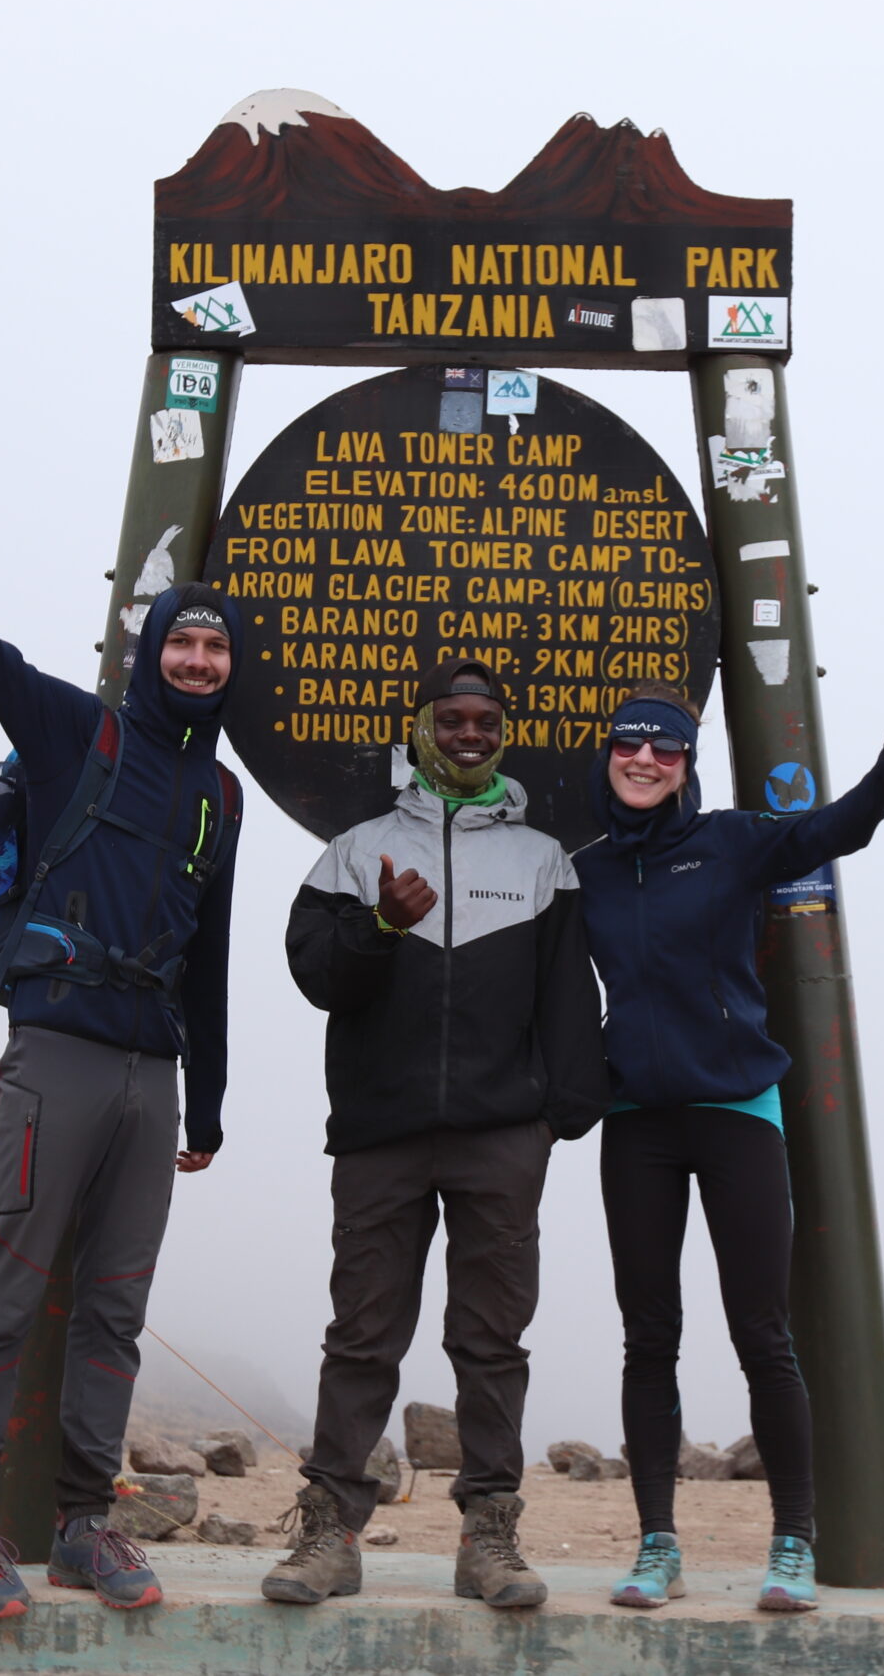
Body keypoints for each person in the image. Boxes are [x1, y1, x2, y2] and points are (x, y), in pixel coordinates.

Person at [0, 409, 240, 1620]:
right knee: (13, 1285)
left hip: (152, 1074)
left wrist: (211, 1100)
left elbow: (210, 956)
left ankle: (84, 1523)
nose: (194, 662)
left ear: (231, 670)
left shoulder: (219, 796)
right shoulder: (78, 730)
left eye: (214, 652)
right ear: (152, 653)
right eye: (181, 644)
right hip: (58, 1054)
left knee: (116, 1308)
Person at [571, 681, 884, 1613]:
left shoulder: (729, 840)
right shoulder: (592, 870)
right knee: (649, 1337)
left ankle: (794, 1544)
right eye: (630, 746)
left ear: (687, 763)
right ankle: (658, 1545)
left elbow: (827, 832)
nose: (645, 760)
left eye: (667, 750)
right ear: (608, 754)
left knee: (762, 1334)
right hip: (637, 1122)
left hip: (739, 1111)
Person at [261, 658, 609, 1612]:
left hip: (503, 1135)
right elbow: (318, 978)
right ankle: (330, 1532)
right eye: (450, 719)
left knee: (491, 1339)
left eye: (483, 721)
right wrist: (378, 922)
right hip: (381, 1131)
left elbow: (568, 1000)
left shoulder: (543, 858)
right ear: (420, 729)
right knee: (362, 1334)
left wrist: (555, 1115)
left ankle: (488, 1535)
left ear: (503, 732)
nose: (468, 733)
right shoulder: (356, 848)